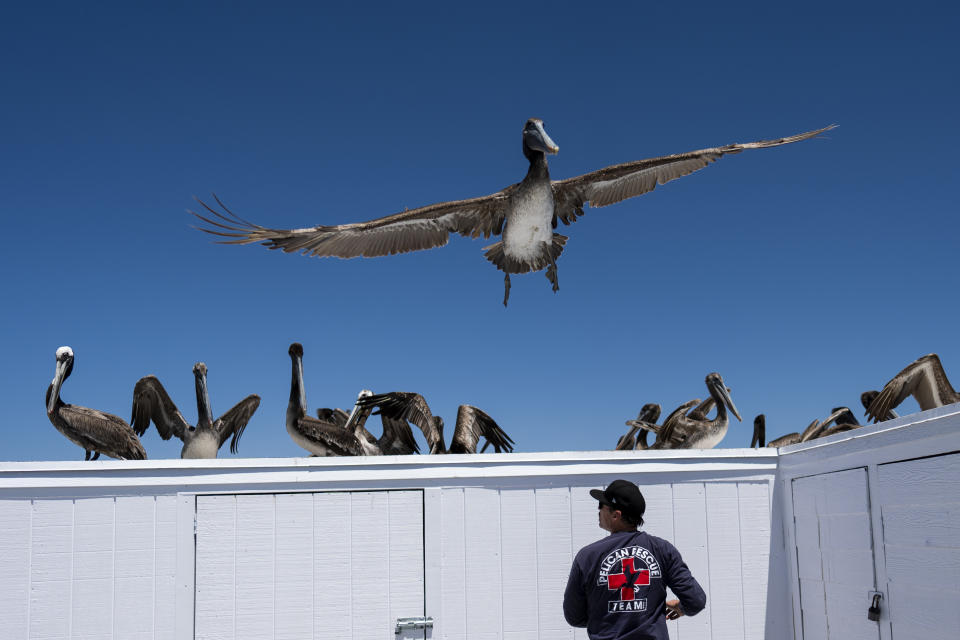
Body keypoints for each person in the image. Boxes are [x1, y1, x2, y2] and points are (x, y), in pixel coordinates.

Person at [563, 479, 706, 639]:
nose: (598, 511)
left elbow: (574, 616)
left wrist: (607, 615)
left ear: (616, 515)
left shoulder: (588, 556)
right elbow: (696, 601)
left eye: (601, 507)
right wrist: (681, 608)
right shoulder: (662, 550)